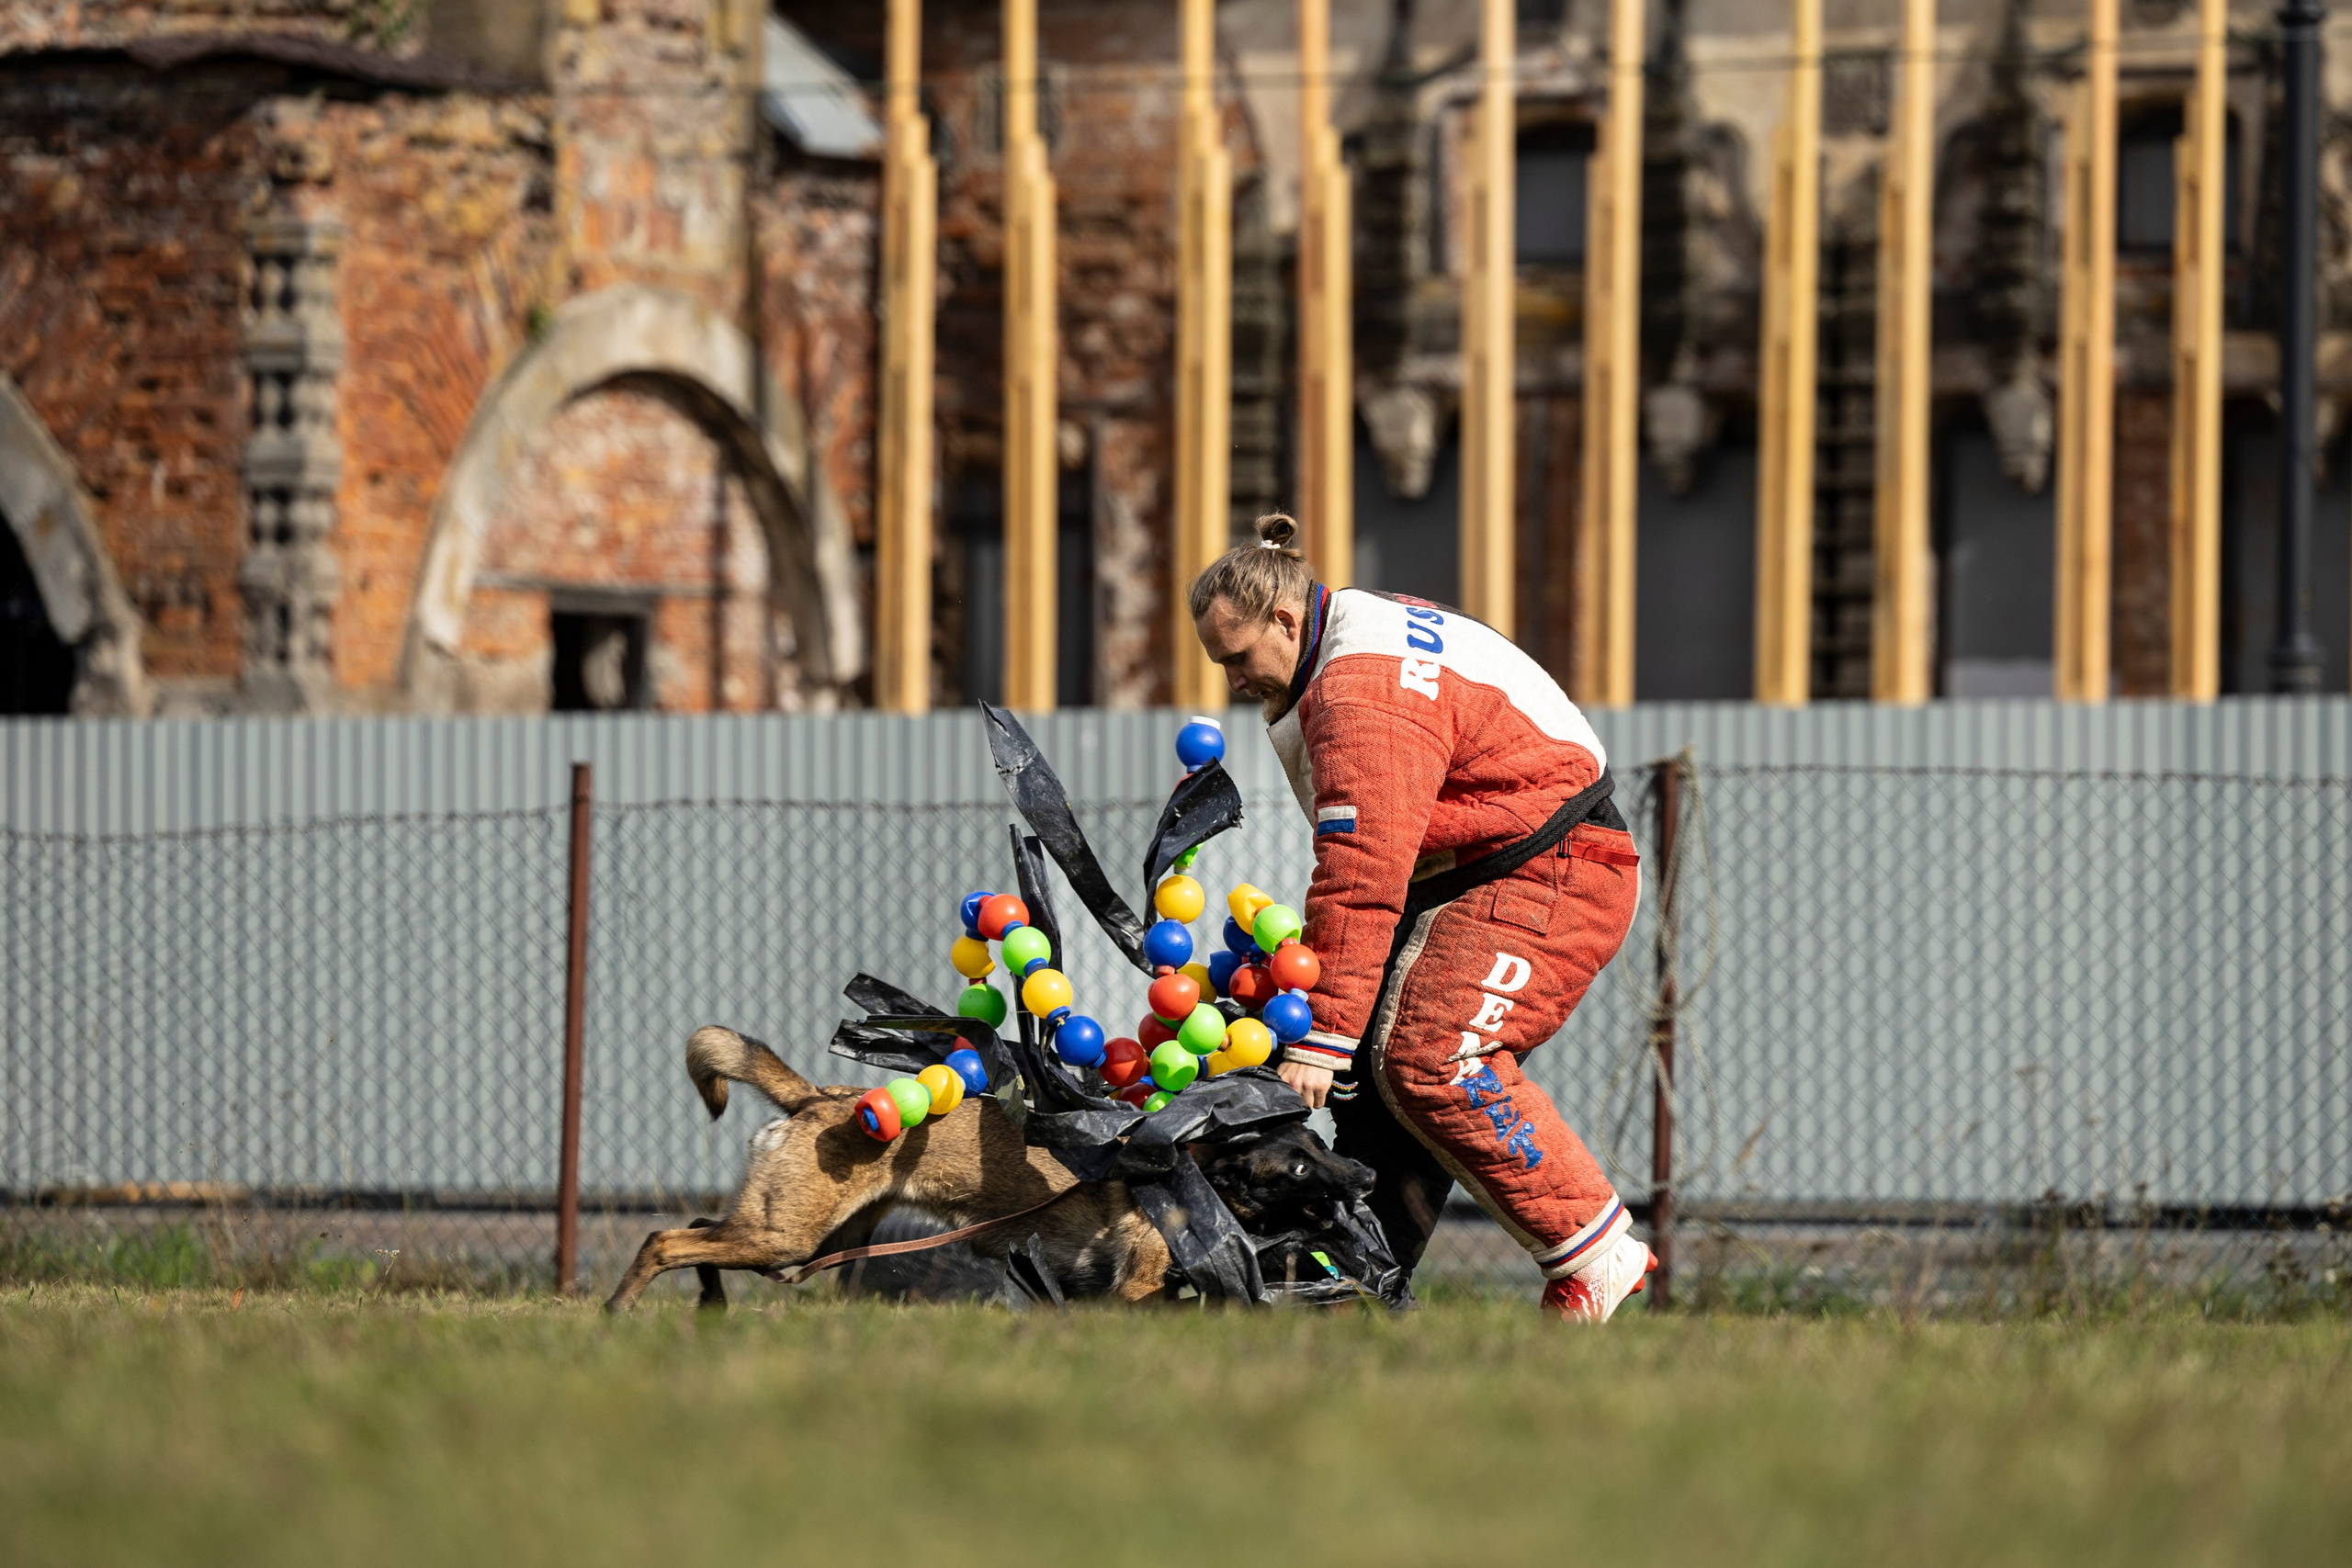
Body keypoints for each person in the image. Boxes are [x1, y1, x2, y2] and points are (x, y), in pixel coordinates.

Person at [1189, 514, 1655, 1321]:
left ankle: (1594, 1244)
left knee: (1436, 1054)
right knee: (1380, 1069)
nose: (1232, 678)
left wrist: (1321, 1034)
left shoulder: (1359, 694)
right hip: (1509, 862)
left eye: (1236, 656)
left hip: (1556, 869)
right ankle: (1356, 1284)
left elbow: (1364, 873)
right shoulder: (1352, 636)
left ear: (1286, 621)